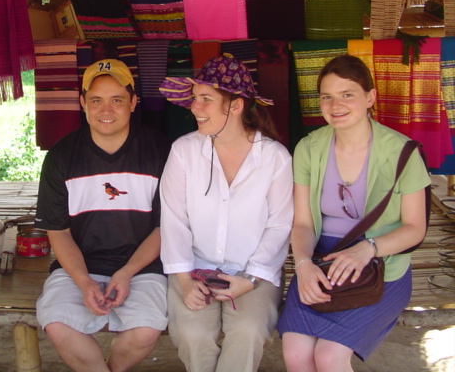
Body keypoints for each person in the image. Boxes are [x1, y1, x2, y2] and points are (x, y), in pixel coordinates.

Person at [277, 55, 430, 371]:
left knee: (330, 357)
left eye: (347, 94)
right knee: (295, 354)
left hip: (381, 263)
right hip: (320, 261)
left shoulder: (403, 152)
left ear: (370, 97)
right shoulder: (308, 148)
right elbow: (303, 222)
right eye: (327, 96)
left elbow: (415, 228)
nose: (336, 105)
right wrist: (303, 265)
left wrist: (368, 248)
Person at [158, 54, 294, 372]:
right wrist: (184, 280)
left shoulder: (274, 158)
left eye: (206, 99)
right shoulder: (184, 151)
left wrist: (250, 278)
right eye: (195, 99)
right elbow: (173, 219)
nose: (194, 108)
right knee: (193, 334)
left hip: (255, 273)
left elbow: (280, 225)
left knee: (247, 332)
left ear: (235, 106)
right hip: (193, 269)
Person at [35, 59, 171, 372]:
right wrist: (83, 281)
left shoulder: (160, 151)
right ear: (82, 103)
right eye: (96, 100)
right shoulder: (61, 156)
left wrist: (126, 272)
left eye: (117, 100)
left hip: (143, 267)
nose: (105, 110)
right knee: (57, 323)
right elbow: (59, 231)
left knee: (146, 329)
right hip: (79, 268)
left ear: (134, 103)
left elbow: (165, 228)